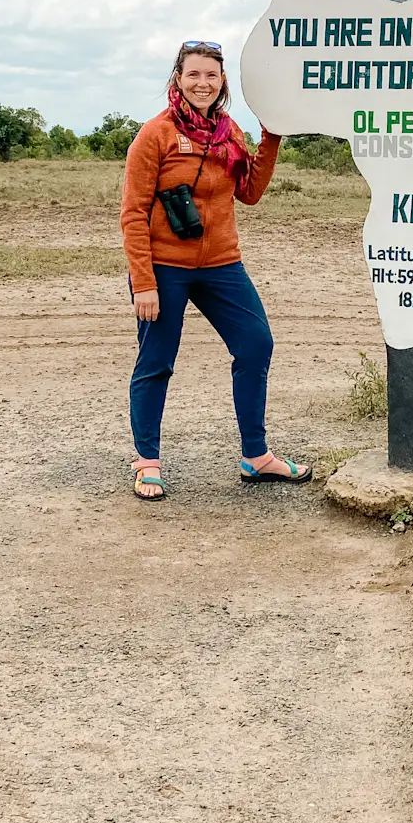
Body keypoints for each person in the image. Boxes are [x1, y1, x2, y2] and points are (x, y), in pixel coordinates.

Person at [120, 40, 311, 500]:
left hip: (222, 264)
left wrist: (271, 138)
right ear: (178, 80)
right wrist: (144, 283)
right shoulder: (156, 134)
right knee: (157, 362)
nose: (203, 83)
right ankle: (147, 462)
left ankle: (256, 456)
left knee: (255, 343)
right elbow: (132, 214)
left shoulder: (231, 133)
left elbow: (249, 193)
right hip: (165, 267)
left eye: (211, 75)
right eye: (194, 75)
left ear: (222, 81)